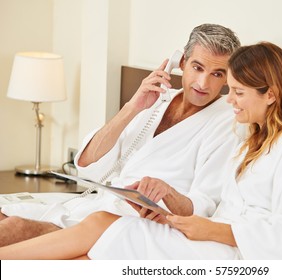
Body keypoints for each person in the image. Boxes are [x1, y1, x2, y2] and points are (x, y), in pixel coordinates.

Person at [0, 41, 282, 260]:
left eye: (235, 90)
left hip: (231, 248)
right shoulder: (253, 139)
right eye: (230, 89)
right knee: (92, 234)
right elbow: (86, 165)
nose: (226, 98)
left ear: (271, 95)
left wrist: (205, 226)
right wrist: (169, 214)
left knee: (100, 231)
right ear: (181, 63)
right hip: (200, 231)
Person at [0, 23, 241, 246]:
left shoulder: (227, 123)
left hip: (132, 222)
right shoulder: (158, 98)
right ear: (182, 61)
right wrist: (133, 107)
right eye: (197, 67)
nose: (203, 83)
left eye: (217, 74)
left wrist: (167, 192)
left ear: (229, 77)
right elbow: (87, 165)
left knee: (15, 227)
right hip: (94, 204)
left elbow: (202, 208)